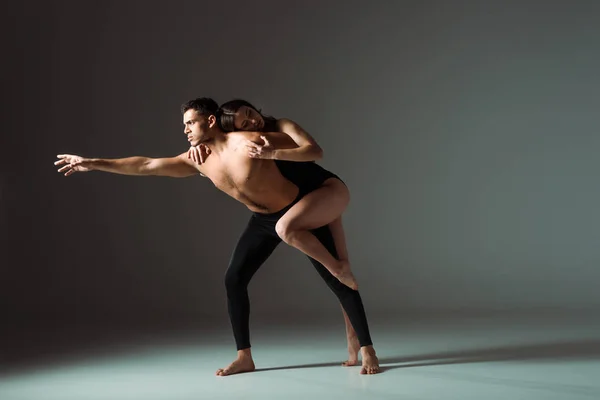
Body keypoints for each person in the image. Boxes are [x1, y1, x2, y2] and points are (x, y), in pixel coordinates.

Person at [54, 97, 380, 375]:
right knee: (234, 278)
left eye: (190, 123)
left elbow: (304, 148)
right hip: (263, 220)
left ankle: (367, 348)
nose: (185, 130)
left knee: (337, 275)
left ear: (210, 121)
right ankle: (244, 357)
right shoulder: (198, 161)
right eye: (184, 125)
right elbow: (147, 164)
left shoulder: (247, 140)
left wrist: (272, 146)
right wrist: (94, 163)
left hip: (300, 207)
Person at [188, 99, 358, 291]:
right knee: (343, 269)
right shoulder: (247, 141)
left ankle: (338, 270)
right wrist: (199, 144)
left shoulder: (281, 125)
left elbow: (315, 152)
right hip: (306, 197)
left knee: (338, 270)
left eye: (250, 113)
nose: (253, 122)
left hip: (322, 189)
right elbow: (219, 141)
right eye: (244, 124)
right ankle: (345, 296)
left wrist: (271, 153)